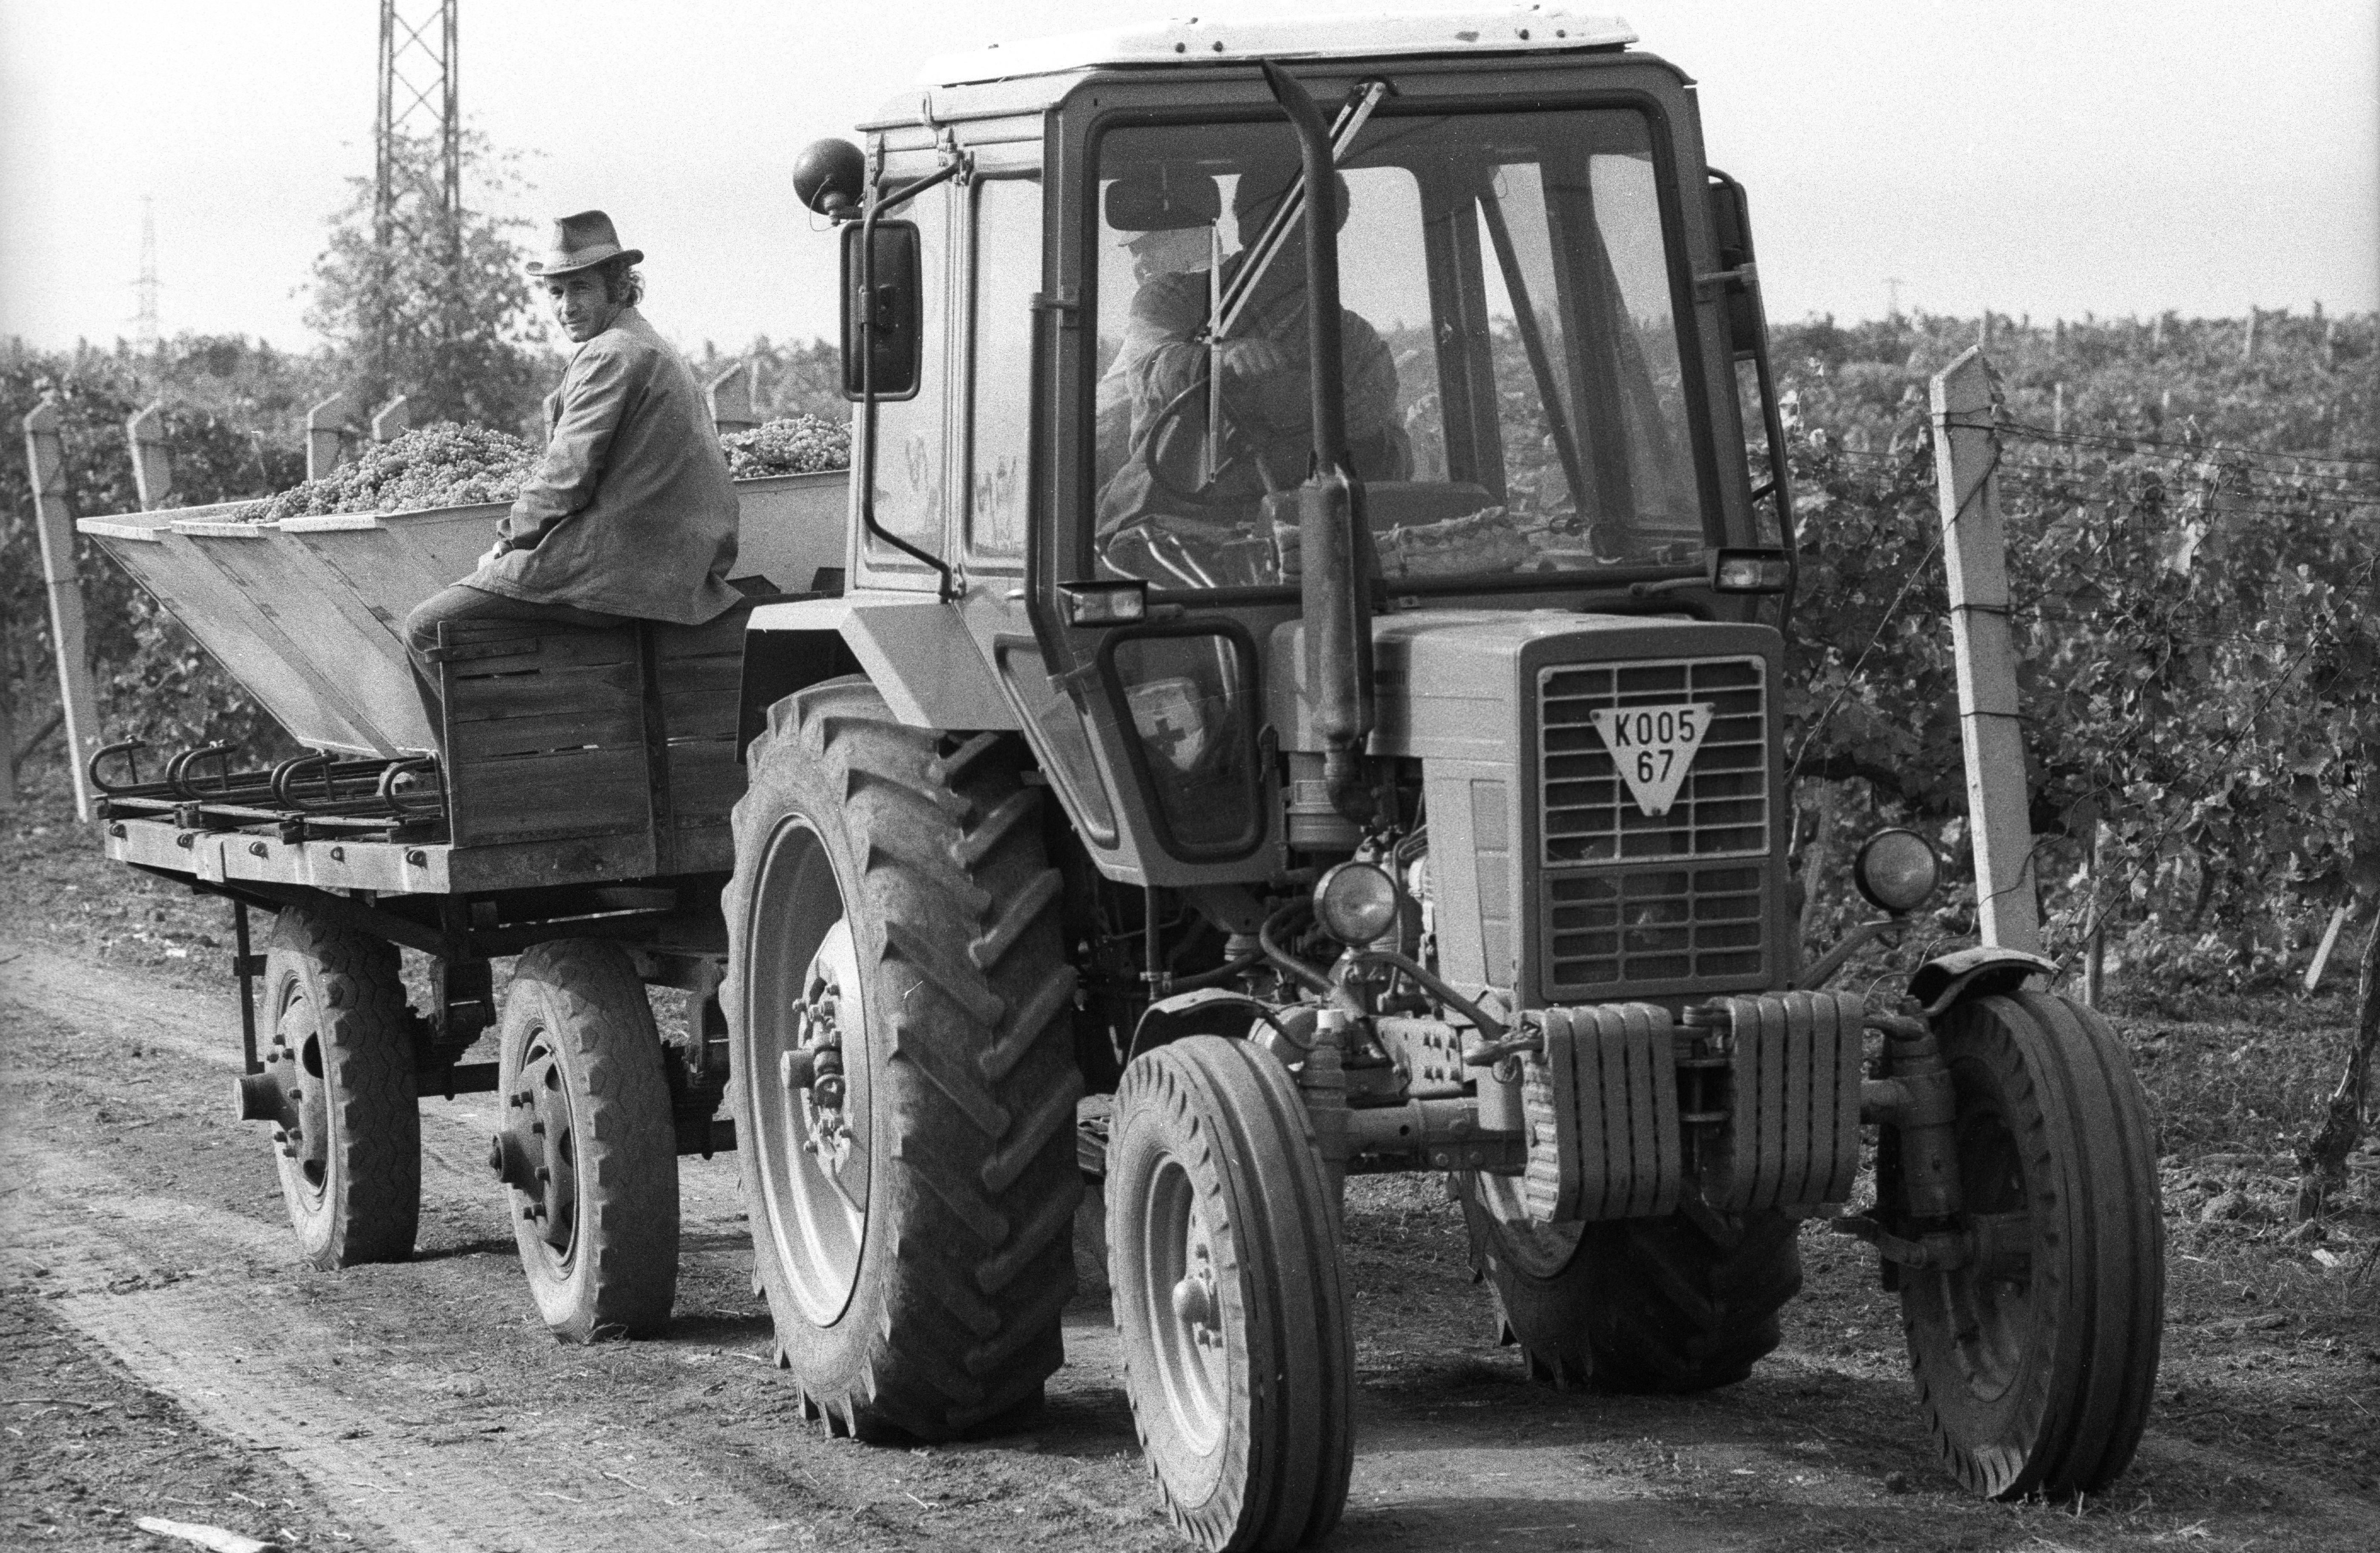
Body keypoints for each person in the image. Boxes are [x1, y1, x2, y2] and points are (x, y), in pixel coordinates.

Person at [402, 209, 740, 731]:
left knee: (426, 628)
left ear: (619, 287)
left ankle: (492, 786)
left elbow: (565, 476)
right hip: (673, 566)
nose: (567, 307)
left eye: (579, 288)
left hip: (619, 566)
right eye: (556, 293)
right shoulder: (649, 346)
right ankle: (539, 750)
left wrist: (507, 543)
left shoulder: (612, 354)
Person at [1099, 159, 1402, 556]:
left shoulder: (1356, 340)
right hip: (1169, 526)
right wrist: (1219, 361)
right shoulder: (1172, 298)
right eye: (1279, 217)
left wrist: (1300, 402)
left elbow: (1380, 437)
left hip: (1304, 537)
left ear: (1334, 227)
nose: (1298, 232)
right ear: (1243, 223)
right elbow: (1152, 368)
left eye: (1314, 219)